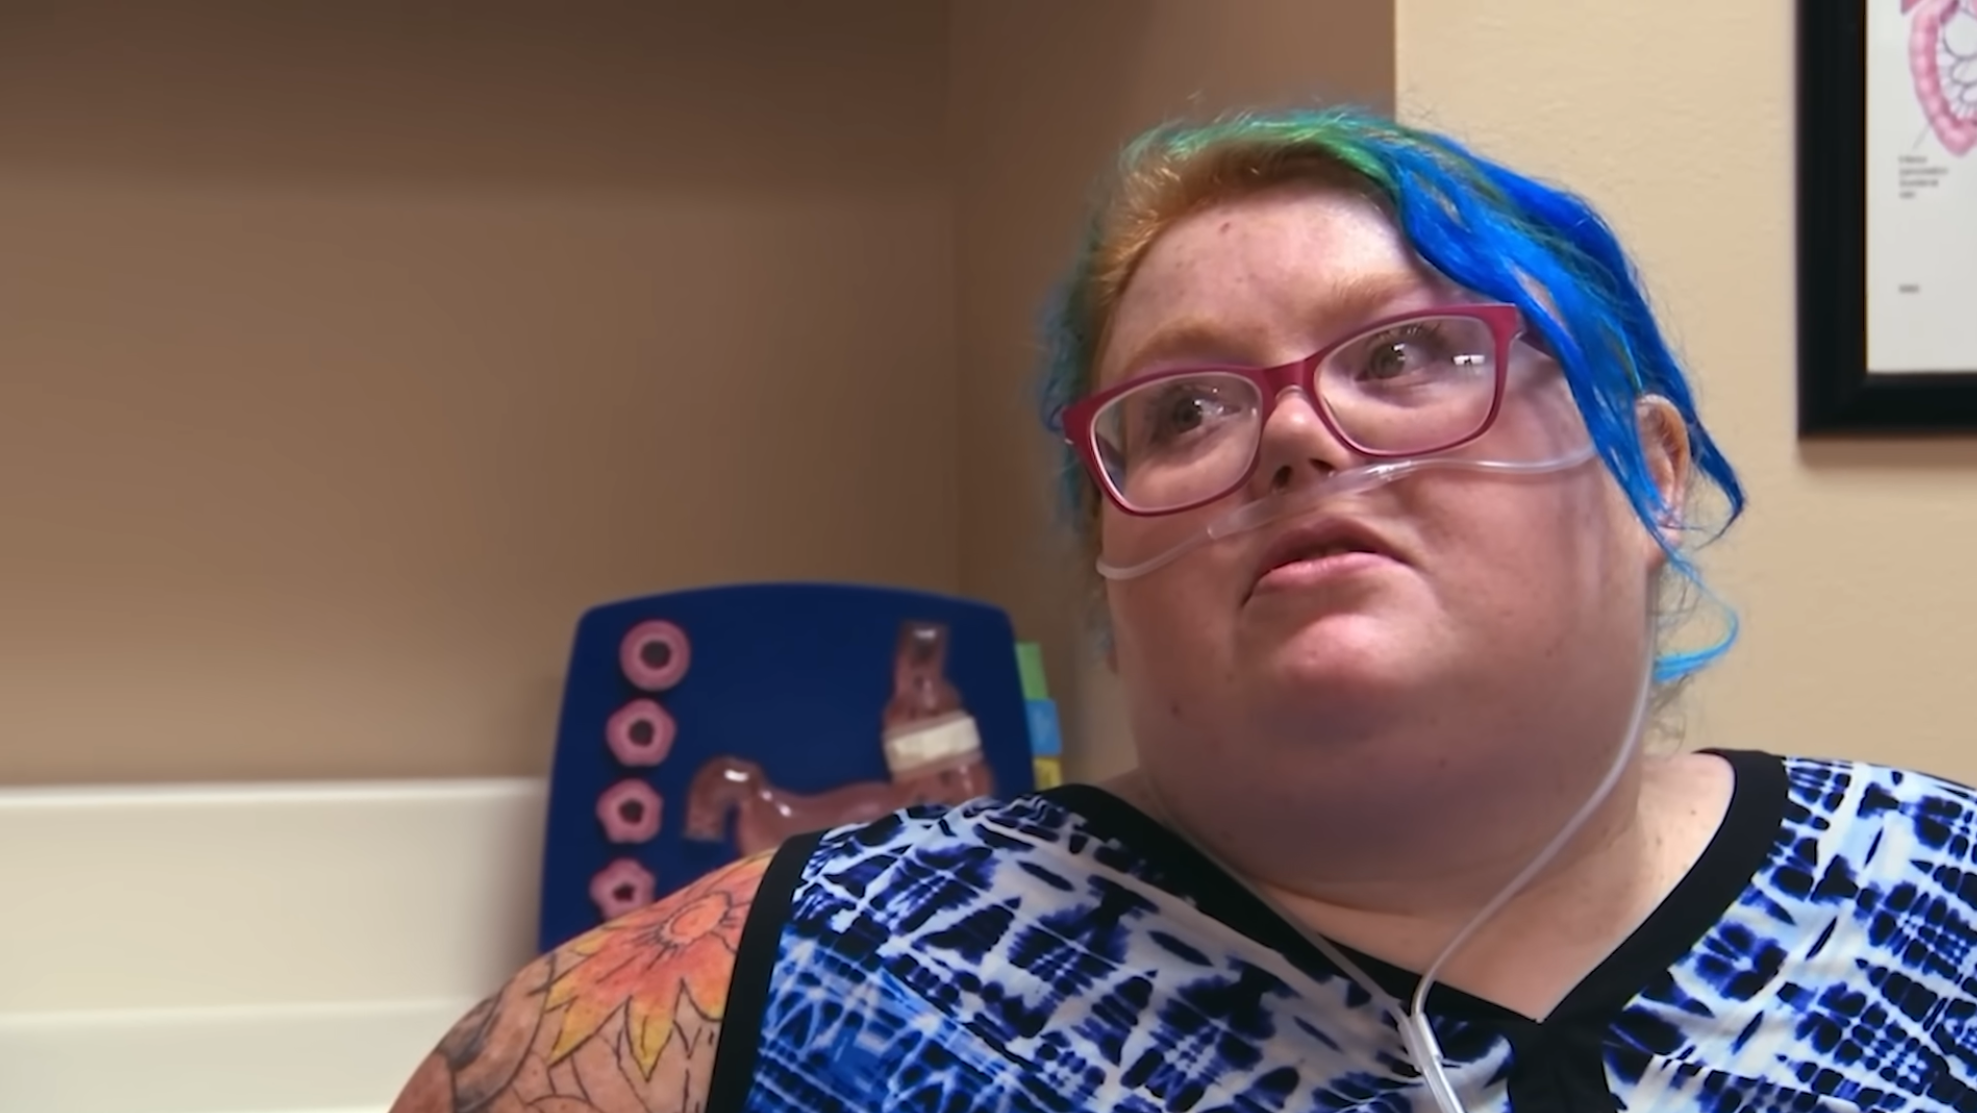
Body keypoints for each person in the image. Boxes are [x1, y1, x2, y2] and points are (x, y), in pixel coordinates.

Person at [388, 106, 1977, 1113]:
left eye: (1406, 354)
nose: (1291, 436)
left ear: (1650, 478)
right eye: (1184, 409)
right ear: (1107, 571)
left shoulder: (1937, 908)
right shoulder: (801, 993)